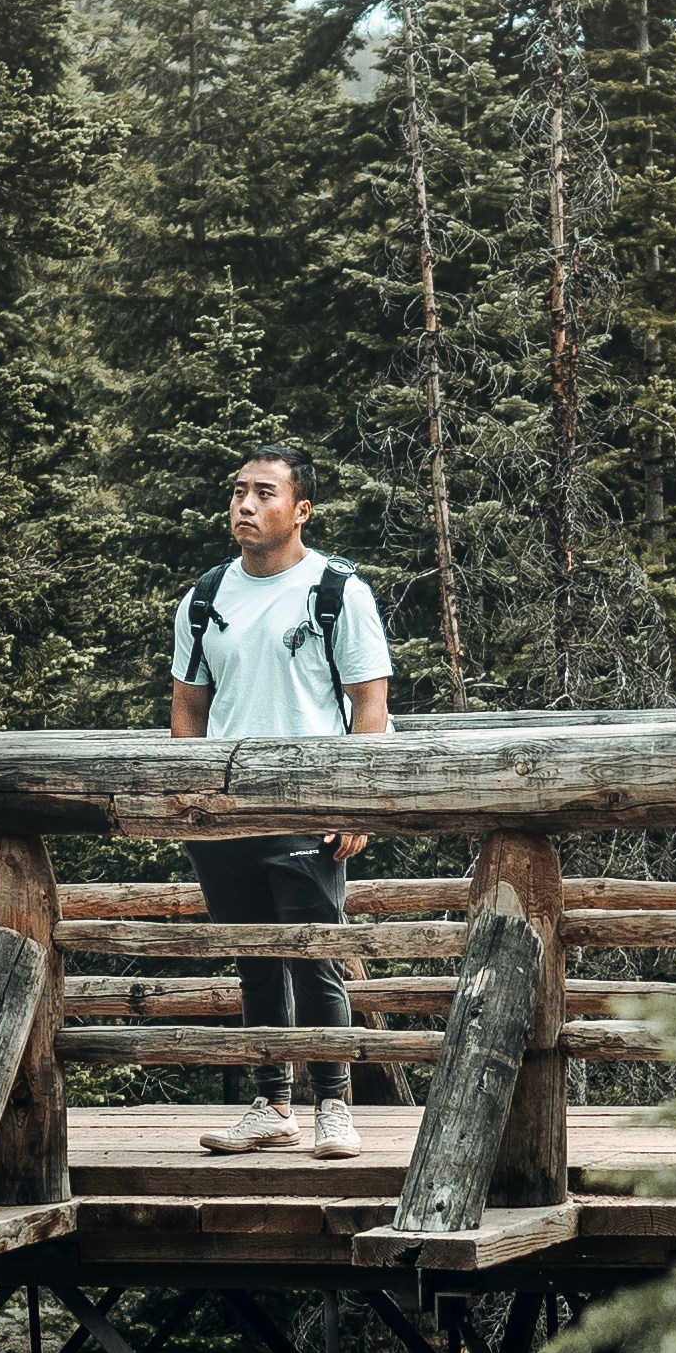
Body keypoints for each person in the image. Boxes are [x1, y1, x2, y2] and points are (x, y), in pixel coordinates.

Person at [166, 445, 394, 1157]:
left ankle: (333, 1105)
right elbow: (187, 707)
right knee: (253, 960)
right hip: (226, 814)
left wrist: (354, 806)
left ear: (301, 510)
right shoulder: (206, 596)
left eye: (263, 493)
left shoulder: (337, 590)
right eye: (238, 491)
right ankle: (271, 1103)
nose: (243, 505)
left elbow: (370, 706)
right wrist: (192, 803)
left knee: (314, 956)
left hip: (309, 808)